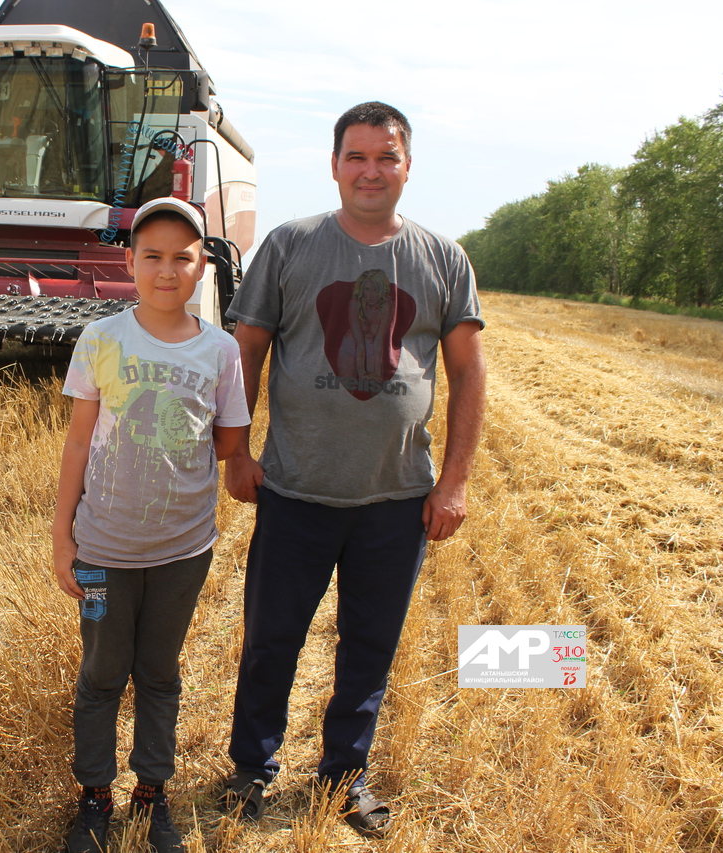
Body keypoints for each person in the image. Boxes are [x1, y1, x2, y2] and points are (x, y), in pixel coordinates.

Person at [218, 102, 487, 837]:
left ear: (407, 166)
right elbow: (246, 352)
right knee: (271, 639)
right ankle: (251, 768)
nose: (372, 170)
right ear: (334, 165)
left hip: (396, 501)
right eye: (358, 156)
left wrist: (454, 481)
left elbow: (468, 371)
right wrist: (235, 452)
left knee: (369, 647)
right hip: (295, 490)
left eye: (386, 156)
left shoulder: (443, 258)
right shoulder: (290, 245)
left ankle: (344, 777)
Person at [53, 196, 252, 853]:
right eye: (152, 256)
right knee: (102, 672)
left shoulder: (221, 351)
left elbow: (228, 441)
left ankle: (151, 792)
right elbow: (78, 443)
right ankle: (94, 795)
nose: (167, 270)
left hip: (182, 552)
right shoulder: (102, 340)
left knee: (160, 672)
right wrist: (62, 536)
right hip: (101, 551)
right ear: (130, 263)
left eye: (182, 258)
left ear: (202, 267)